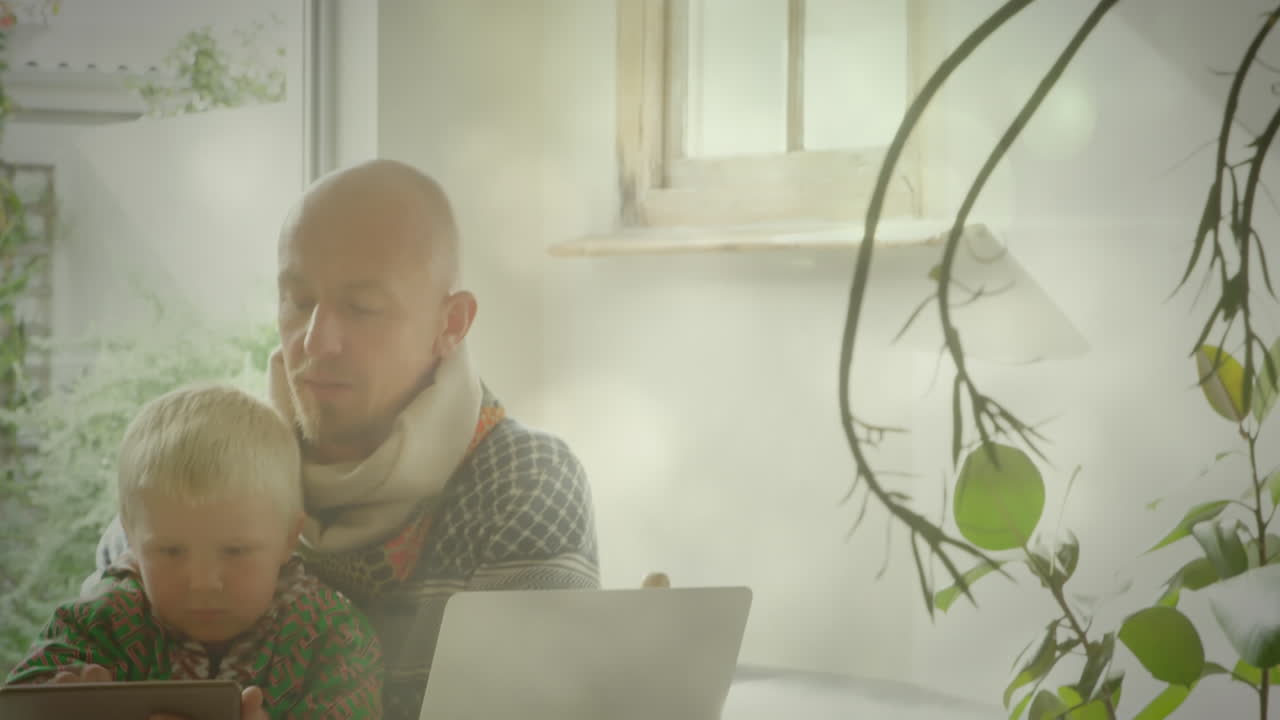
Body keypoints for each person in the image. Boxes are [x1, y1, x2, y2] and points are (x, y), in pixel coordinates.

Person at [90, 159, 601, 719]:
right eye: (299, 299)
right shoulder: (201, 463)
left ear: (451, 324)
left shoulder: (523, 483)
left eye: (362, 308)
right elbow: (90, 651)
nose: (315, 340)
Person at [7, 382, 384, 720]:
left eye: (235, 551)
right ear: (132, 539)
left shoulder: (331, 638)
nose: (203, 582)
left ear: (289, 538)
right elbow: (17, 701)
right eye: (170, 551)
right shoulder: (100, 625)